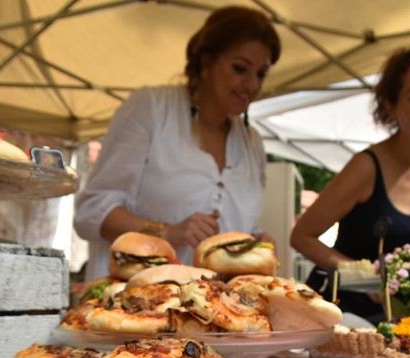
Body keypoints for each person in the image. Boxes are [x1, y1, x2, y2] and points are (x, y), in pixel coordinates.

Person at [73, 6, 281, 281]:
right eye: (240, 68)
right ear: (205, 63)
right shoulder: (150, 109)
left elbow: (240, 223)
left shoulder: (252, 143)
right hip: (137, 304)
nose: (252, 85)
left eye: (261, 74)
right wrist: (166, 232)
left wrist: (254, 240)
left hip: (219, 312)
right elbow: (91, 213)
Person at [290, 44, 410, 323]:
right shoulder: (367, 166)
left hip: (404, 320)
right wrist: (368, 276)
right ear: (391, 106)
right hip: (345, 314)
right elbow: (301, 237)